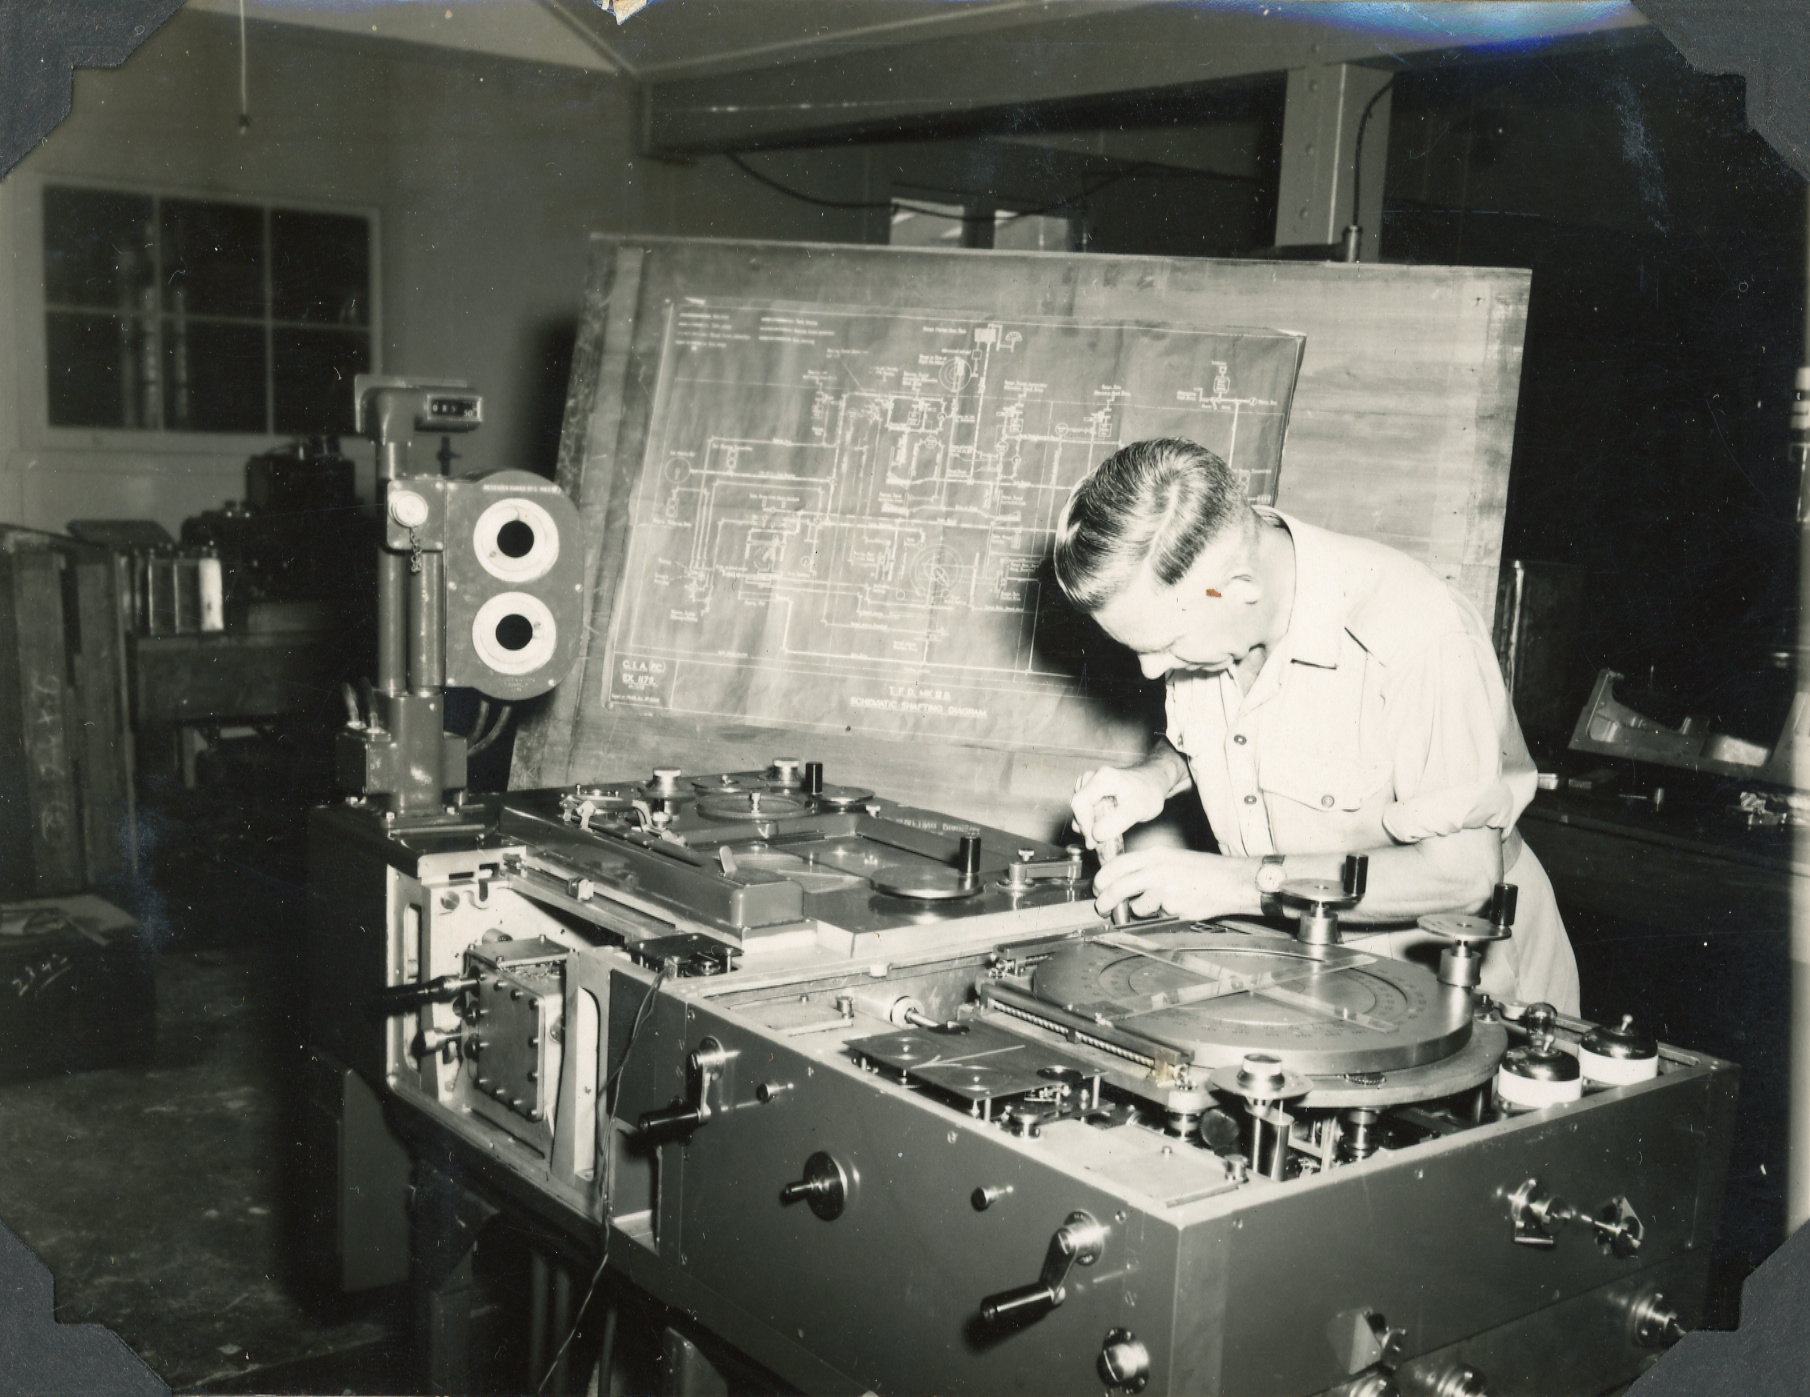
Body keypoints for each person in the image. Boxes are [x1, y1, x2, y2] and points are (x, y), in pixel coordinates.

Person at [1058, 437, 1579, 1015]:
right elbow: (1232, 737)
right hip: (1306, 960)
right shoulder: (1214, 623)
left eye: (1166, 645)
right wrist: (1154, 778)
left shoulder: (1417, 631)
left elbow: (1459, 878)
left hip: (1460, 983)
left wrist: (1233, 884)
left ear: (1240, 591)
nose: (1152, 669)